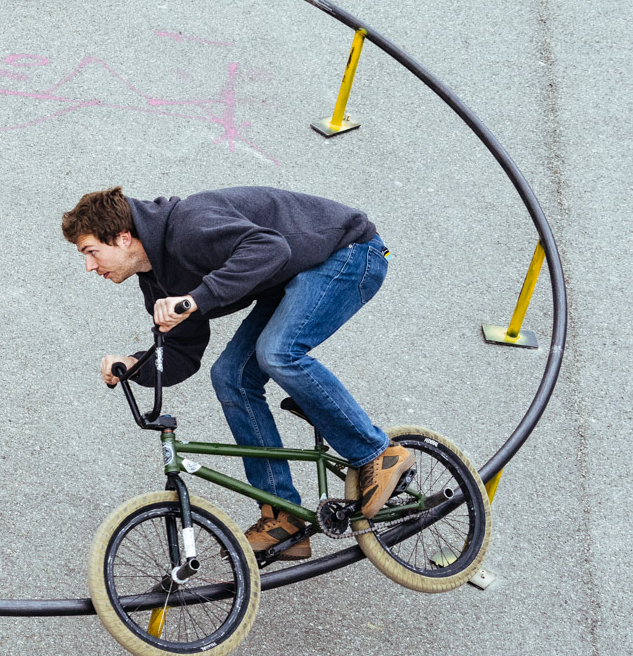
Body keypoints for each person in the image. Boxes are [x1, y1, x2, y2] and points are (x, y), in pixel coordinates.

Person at [61, 185, 413, 561]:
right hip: (291, 279)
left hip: (348, 254)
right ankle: (284, 515)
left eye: (91, 252)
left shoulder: (188, 226)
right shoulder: (158, 279)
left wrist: (194, 299)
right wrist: (136, 367)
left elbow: (271, 248)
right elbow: (183, 351)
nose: (89, 267)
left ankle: (377, 452)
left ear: (123, 237)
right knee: (230, 375)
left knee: (277, 352)